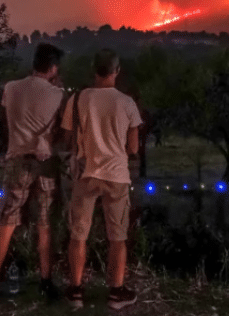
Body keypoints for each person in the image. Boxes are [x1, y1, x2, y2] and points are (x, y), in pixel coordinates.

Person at [0, 43, 65, 304]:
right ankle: (45, 281)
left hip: (17, 160)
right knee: (44, 224)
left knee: (6, 222)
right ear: (53, 68)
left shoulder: (11, 88)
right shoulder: (58, 94)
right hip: (46, 164)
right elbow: (60, 131)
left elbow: (5, 118)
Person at [61, 49, 142, 310]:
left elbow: (68, 138)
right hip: (116, 175)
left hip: (86, 174)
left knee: (79, 235)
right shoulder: (127, 103)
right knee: (117, 237)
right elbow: (133, 148)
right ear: (117, 71)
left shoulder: (77, 100)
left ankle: (75, 291)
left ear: (94, 70)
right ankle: (116, 293)